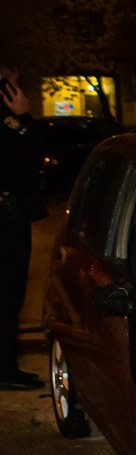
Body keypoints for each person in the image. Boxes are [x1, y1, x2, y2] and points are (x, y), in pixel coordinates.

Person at [0, 62, 47, 390]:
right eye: (12, 83)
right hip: (7, 216)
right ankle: (5, 370)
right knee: (8, 292)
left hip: (11, 213)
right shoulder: (9, 121)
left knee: (10, 294)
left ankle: (7, 364)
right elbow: (31, 154)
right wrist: (24, 117)